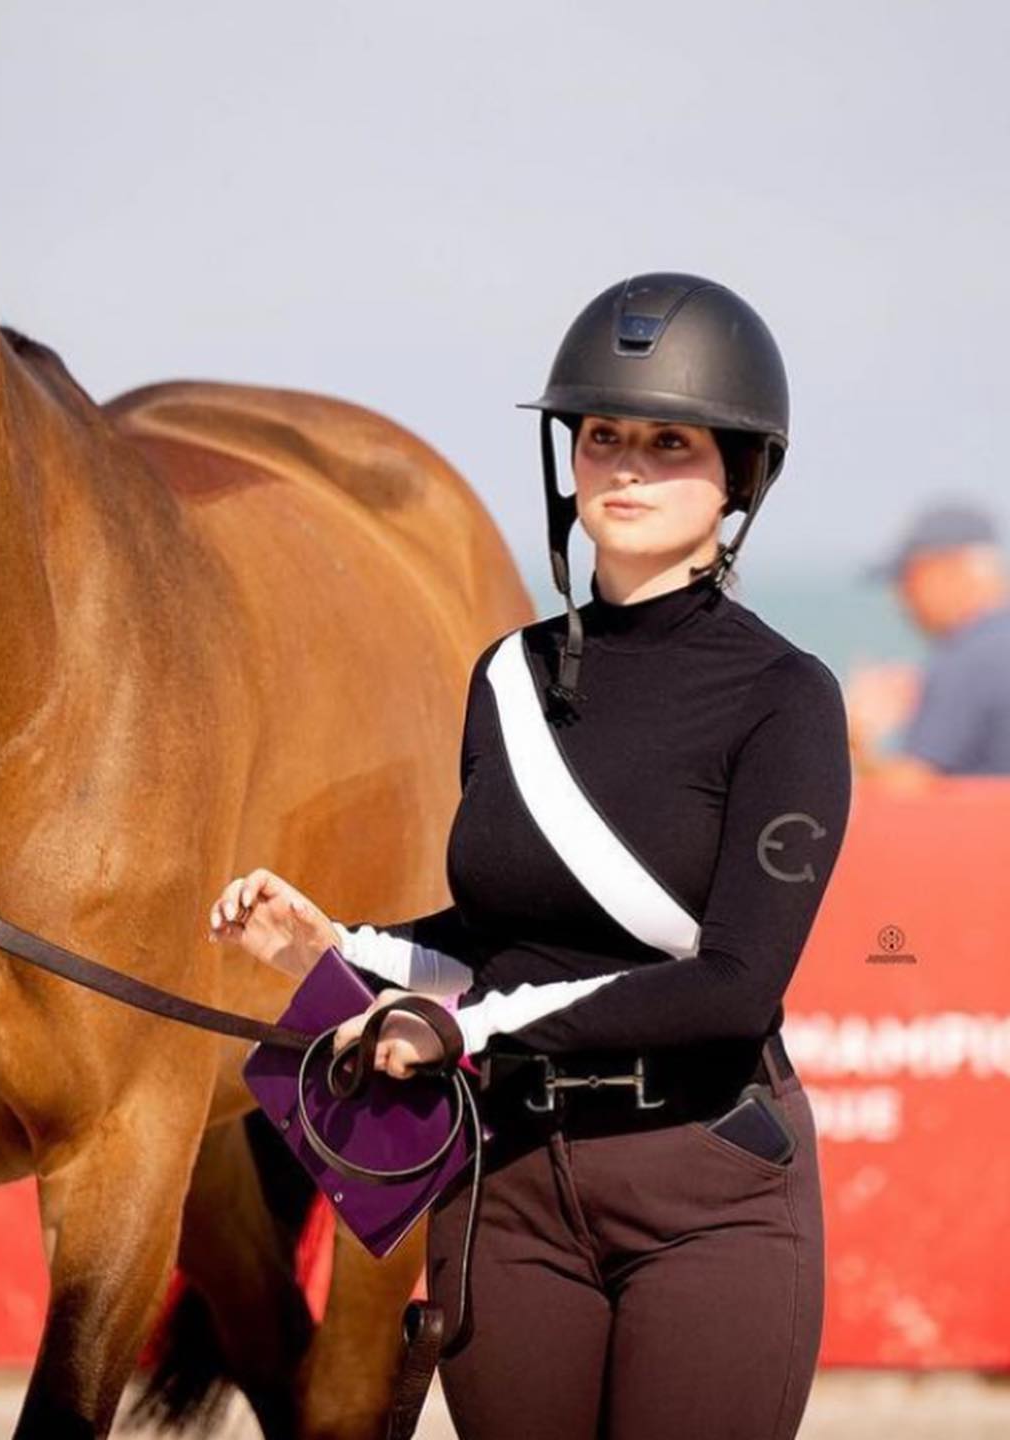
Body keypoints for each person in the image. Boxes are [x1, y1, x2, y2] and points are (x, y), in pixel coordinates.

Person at [208, 273, 852, 1440]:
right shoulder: (503, 678)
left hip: (707, 1186)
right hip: (505, 1187)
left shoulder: (788, 699)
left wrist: (464, 1028)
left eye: (670, 441)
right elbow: (501, 940)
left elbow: (733, 986)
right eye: (604, 437)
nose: (629, 468)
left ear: (738, 476)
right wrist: (338, 944)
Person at [849, 502, 1010, 781]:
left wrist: (855, 736)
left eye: (907, 580)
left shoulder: (968, 657)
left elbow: (913, 793)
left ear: (947, 569)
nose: (901, 600)